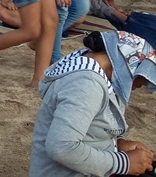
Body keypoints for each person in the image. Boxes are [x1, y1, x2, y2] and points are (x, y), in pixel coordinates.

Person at [30, 31, 156, 177]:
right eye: (143, 78)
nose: (142, 85)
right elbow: (61, 147)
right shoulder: (86, 85)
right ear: (130, 67)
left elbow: (90, 131)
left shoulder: (89, 69)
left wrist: (118, 144)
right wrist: (124, 163)